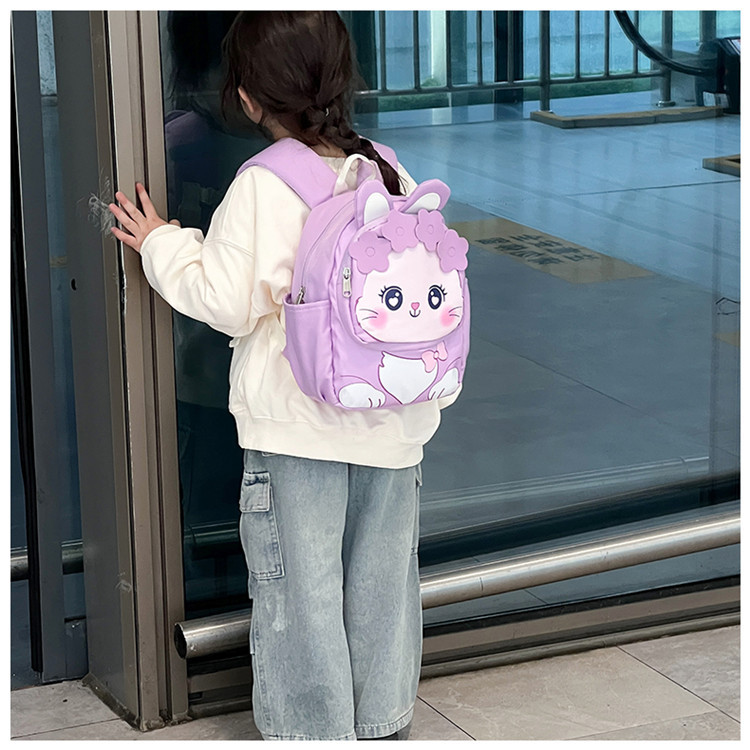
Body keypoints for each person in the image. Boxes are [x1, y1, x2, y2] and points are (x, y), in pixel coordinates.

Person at [109, 11, 460, 741]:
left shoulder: (265, 185)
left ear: (244, 97)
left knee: (302, 588)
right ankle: (381, 718)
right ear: (345, 77)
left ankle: (313, 730)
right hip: (392, 418)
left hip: (298, 428)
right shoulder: (387, 170)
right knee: (383, 581)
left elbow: (225, 299)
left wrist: (162, 243)